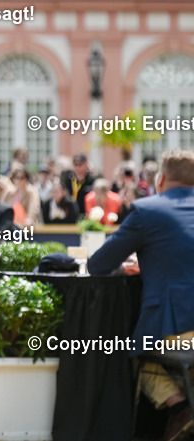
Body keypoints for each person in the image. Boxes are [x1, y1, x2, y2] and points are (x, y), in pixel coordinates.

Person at [89, 149, 194, 441]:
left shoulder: (148, 210)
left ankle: (179, 407)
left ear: (160, 180)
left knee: (126, 347)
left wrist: (136, 265)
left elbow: (98, 265)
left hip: (177, 330)